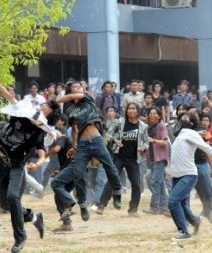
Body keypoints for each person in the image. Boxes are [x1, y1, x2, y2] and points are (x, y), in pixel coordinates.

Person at [0, 83, 61, 252]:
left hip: (16, 165)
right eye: (43, 104)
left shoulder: (39, 133)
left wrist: (37, 164)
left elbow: (42, 154)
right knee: (5, 204)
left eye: (46, 108)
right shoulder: (21, 112)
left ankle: (20, 238)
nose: (42, 107)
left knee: (12, 198)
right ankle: (34, 217)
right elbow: (9, 96)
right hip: (0, 159)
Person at [54, 81, 122, 220]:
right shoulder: (70, 110)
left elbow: (68, 97)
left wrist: (54, 101)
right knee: (78, 174)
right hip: (83, 145)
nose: (79, 88)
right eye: (75, 87)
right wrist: (74, 146)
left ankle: (117, 193)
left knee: (110, 167)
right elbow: (73, 129)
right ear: (71, 92)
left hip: (97, 141)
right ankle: (83, 206)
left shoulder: (88, 97)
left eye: (80, 86)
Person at [167, 112, 212, 241]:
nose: (180, 120)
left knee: (173, 201)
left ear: (191, 124)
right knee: (182, 204)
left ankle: (184, 232)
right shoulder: (181, 135)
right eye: (181, 118)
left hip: (188, 175)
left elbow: (205, 147)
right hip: (177, 175)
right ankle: (195, 221)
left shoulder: (190, 133)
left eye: (185, 119)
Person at [97, 102, 149, 217]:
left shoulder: (143, 126)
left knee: (136, 184)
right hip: (119, 157)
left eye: (133, 108)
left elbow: (146, 142)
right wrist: (115, 141)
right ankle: (101, 205)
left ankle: (133, 209)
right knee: (112, 179)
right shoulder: (119, 122)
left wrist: (143, 148)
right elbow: (109, 135)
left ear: (137, 111)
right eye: (129, 108)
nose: (130, 110)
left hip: (134, 159)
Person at [143, 107, 169, 215]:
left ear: (159, 116)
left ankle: (154, 207)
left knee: (155, 182)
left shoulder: (161, 126)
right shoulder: (148, 128)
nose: (152, 115)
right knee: (160, 183)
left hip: (160, 158)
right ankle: (165, 206)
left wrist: (153, 140)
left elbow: (165, 142)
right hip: (152, 158)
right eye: (150, 113)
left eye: (154, 113)